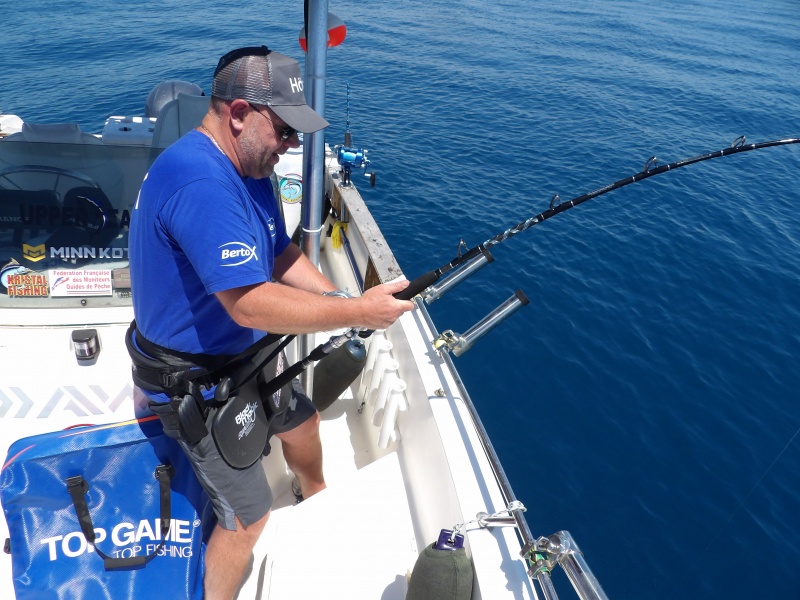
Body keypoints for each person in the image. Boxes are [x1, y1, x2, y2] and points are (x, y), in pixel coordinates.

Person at [128, 45, 414, 600]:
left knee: (301, 420)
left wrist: (336, 296)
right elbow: (249, 302)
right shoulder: (202, 183)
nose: (289, 148)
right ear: (237, 113)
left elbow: (277, 252)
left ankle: (316, 492)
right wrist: (357, 312)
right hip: (196, 377)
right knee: (247, 520)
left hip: (247, 354)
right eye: (284, 132)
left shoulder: (248, 162)